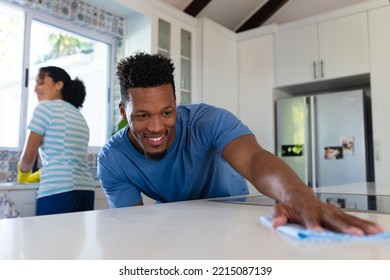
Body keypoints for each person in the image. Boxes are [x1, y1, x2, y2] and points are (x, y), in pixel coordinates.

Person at [97, 52, 383, 235]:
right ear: (123, 111)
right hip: (179, 224)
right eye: (143, 115)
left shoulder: (208, 121)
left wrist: (298, 196)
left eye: (167, 113)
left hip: (236, 214)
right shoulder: (112, 159)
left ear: (175, 104)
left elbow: (254, 160)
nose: (157, 127)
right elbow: (132, 225)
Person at [18, 66, 96, 215]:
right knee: (76, 238)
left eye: (41, 83)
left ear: (58, 85)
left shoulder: (44, 108)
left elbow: (28, 157)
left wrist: (23, 172)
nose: (36, 89)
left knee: (48, 239)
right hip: (85, 190)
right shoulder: (78, 115)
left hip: (57, 191)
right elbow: (66, 153)